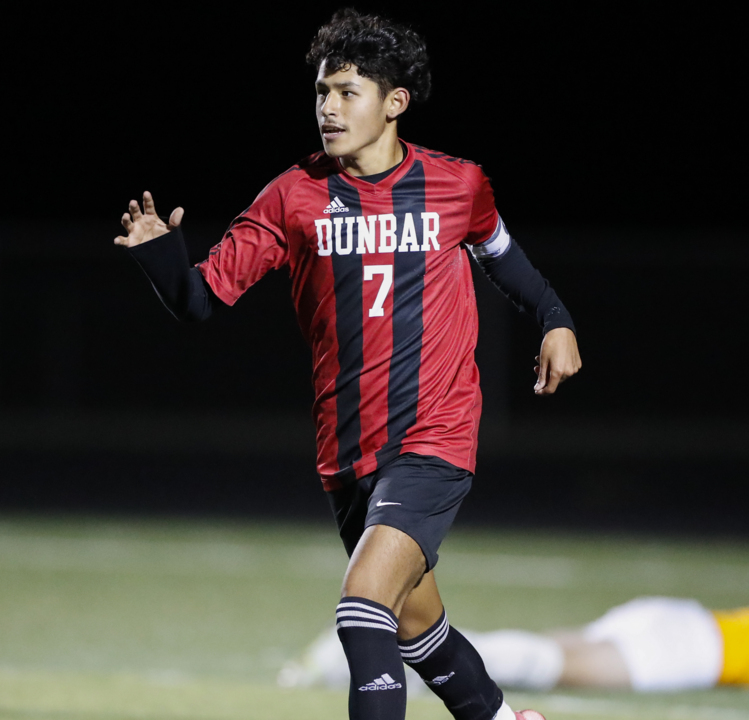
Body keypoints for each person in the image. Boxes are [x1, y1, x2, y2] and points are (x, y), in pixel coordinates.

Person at [114, 9, 578, 720]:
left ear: (395, 102)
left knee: (364, 613)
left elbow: (505, 263)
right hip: (349, 449)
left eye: (347, 91)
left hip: (435, 435)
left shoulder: (459, 186)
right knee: (419, 627)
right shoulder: (292, 195)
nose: (327, 108)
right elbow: (201, 300)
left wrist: (555, 320)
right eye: (322, 92)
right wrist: (159, 258)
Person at [279, 594, 749, 694]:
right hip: (695, 655)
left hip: (678, 619)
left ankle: (360, 647)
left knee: (542, 649)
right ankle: (360, 651)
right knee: (547, 666)